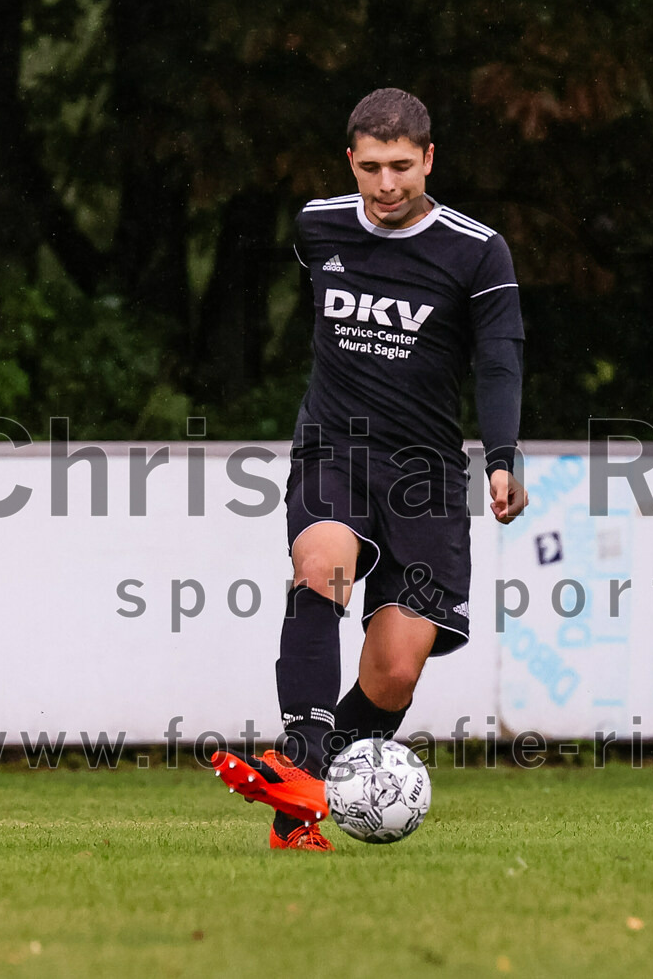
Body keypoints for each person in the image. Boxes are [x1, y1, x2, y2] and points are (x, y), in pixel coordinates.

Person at [212, 88, 527, 851]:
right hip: (333, 446)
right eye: (372, 167)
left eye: (402, 167)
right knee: (318, 567)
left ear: (428, 159)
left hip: (424, 475)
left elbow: (498, 358)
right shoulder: (318, 227)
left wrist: (503, 454)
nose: (387, 186)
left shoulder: (476, 251)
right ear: (350, 160)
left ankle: (300, 805)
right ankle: (302, 758)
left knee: (393, 673)